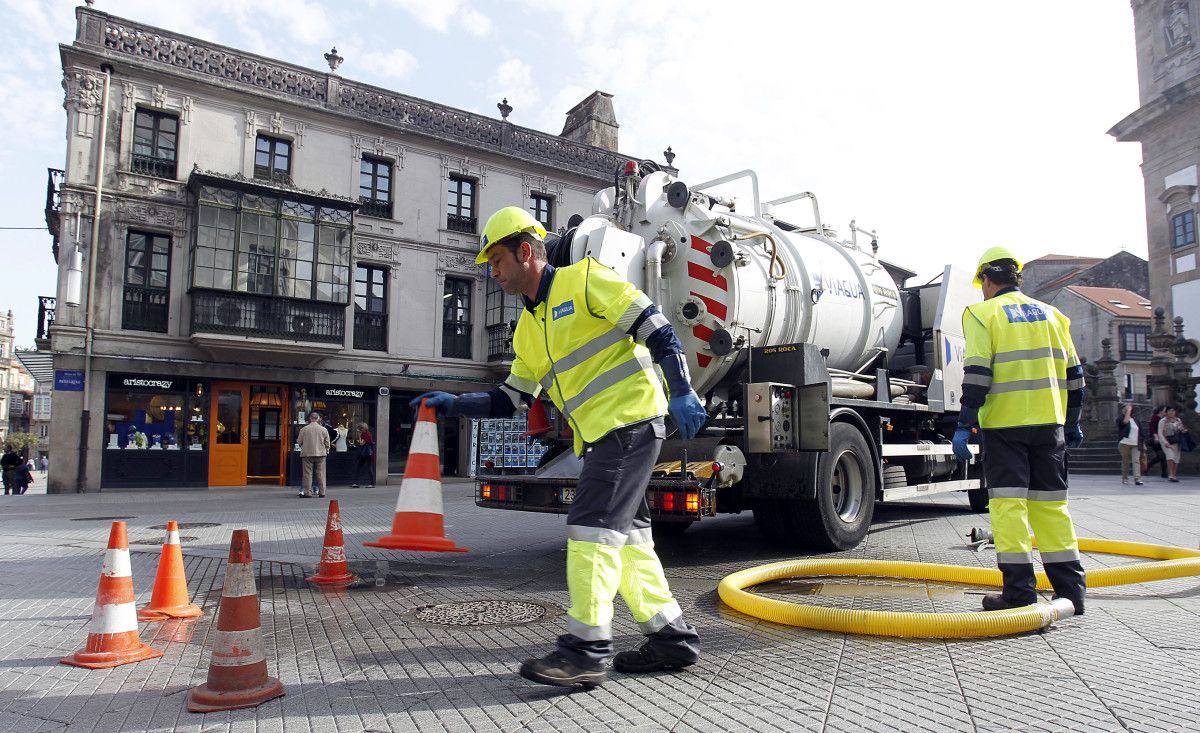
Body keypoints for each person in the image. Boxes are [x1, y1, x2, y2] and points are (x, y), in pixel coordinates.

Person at [413, 206, 704, 688]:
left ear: (525, 251)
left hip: (631, 421)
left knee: (591, 529)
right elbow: (510, 399)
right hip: (603, 436)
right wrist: (455, 404)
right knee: (629, 541)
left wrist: (681, 388)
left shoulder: (585, 280)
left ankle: (585, 651)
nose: (493, 271)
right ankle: (670, 637)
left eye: (497, 260)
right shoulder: (527, 330)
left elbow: (654, 325)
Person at [952, 246, 1087, 615]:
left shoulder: (982, 314)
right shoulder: (1054, 316)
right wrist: (1071, 421)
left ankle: (1019, 594)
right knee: (1052, 508)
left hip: (1006, 428)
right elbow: (1076, 377)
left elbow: (977, 374)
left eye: (981, 282)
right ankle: (1072, 593)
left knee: (1009, 507)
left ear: (988, 279)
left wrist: (964, 425)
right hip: (1049, 427)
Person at [297, 411, 331, 498]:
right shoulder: (324, 429)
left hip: (307, 454)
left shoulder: (304, 429)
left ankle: (307, 493)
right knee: (321, 473)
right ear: (318, 419)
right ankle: (322, 492)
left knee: (307, 474)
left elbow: (299, 441)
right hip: (321, 454)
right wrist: (326, 450)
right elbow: (327, 443)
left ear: (310, 419)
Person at [1156, 406, 1187, 483]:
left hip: (1176, 441)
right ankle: (1170, 475)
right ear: (1166, 412)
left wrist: (1184, 431)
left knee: (1176, 458)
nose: (1171, 412)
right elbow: (1160, 433)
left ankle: (1173, 475)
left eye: (1173, 411)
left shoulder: (1178, 420)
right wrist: (1165, 442)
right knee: (1170, 456)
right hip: (1167, 440)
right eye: (1169, 411)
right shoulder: (1163, 421)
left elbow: (1181, 429)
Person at [1116, 403, 1144, 486]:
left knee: (1136, 460)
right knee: (1125, 461)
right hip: (1125, 443)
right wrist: (1128, 411)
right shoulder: (1120, 418)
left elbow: (1141, 432)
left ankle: (1137, 479)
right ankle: (1125, 478)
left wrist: (1143, 443)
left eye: (1128, 408)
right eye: (1125, 408)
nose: (1127, 409)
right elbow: (1125, 422)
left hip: (1135, 443)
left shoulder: (1136, 420)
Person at [1145, 406, 1169, 479]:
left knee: (1163, 456)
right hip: (1156, 439)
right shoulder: (1156, 417)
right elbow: (1153, 428)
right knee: (1161, 456)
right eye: (1165, 410)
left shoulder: (1161, 419)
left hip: (1161, 439)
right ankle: (1148, 466)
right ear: (1160, 411)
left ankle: (1164, 473)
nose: (1166, 412)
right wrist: (1155, 437)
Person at [351, 422, 375, 488]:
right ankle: (356, 483)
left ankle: (371, 483)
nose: (358, 430)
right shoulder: (366, 434)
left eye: (359, 429)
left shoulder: (366, 434)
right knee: (359, 467)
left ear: (362, 429)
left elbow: (361, 443)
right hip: (364, 453)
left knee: (368, 468)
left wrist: (359, 436)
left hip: (366, 453)